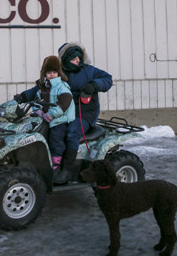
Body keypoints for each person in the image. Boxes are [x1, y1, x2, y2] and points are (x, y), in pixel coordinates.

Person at [19, 42, 112, 184]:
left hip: (84, 112)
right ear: (66, 59)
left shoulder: (90, 71)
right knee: (44, 130)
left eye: (79, 58)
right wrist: (23, 97)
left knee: (72, 131)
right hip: (62, 111)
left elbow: (107, 79)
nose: (78, 61)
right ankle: (48, 164)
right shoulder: (59, 72)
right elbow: (41, 87)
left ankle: (68, 169)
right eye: (74, 58)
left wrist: (94, 85)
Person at [29, 55, 75, 173]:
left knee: (56, 136)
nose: (52, 75)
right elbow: (36, 102)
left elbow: (63, 105)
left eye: (54, 72)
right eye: (49, 73)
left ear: (59, 73)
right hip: (46, 117)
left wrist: (50, 115)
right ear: (44, 74)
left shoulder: (62, 87)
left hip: (61, 118)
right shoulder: (43, 88)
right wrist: (38, 111)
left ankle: (56, 161)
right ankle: (40, 158)